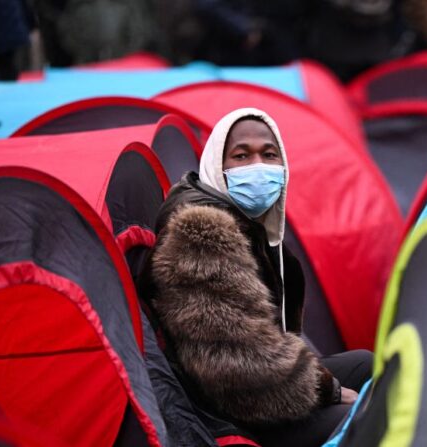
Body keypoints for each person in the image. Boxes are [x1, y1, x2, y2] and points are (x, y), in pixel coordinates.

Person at [142, 108, 372, 446]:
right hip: (224, 411)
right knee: (362, 418)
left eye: (268, 154)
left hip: (254, 387)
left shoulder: (249, 224)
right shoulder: (200, 235)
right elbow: (236, 366)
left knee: (366, 365)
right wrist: (332, 392)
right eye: (241, 155)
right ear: (218, 168)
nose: (258, 167)